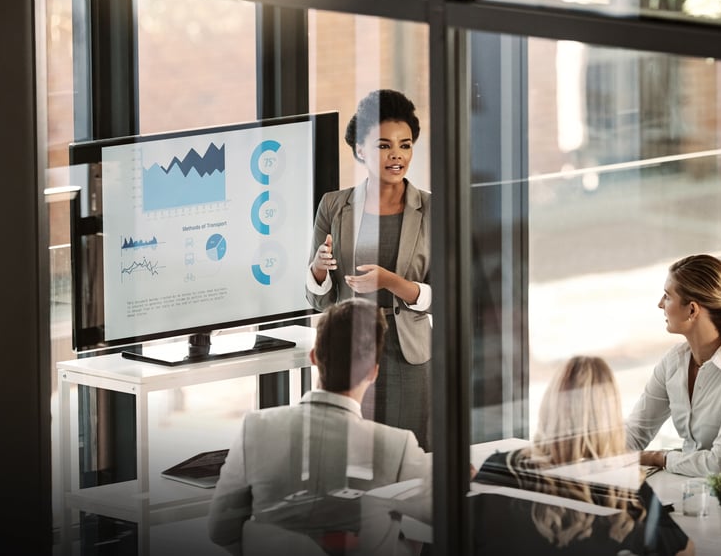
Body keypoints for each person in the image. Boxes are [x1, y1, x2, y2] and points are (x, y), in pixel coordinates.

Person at [207, 297, 431, 556]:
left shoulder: (255, 429)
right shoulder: (397, 446)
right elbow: (448, 514)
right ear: (373, 372)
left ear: (314, 357)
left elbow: (220, 530)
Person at [307, 89, 432, 450]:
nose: (396, 155)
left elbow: (445, 295)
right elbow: (320, 301)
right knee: (348, 453)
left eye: (405, 145)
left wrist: (391, 282)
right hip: (350, 346)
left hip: (408, 353)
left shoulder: (432, 209)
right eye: (383, 146)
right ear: (360, 149)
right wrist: (318, 270)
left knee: (410, 452)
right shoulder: (334, 206)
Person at [472, 356, 694, 556]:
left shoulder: (501, 466)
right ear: (609, 418)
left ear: (550, 405)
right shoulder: (624, 491)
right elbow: (684, 551)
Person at [625, 254, 721, 477]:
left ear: (692, 310)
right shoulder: (674, 361)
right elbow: (635, 432)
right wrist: (593, 456)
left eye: (667, 296)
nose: (660, 304)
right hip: (684, 485)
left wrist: (659, 458)